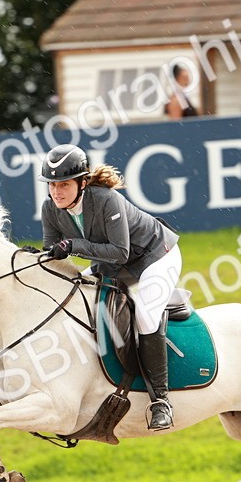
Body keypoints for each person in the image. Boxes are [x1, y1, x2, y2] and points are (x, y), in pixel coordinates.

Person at [38, 144, 182, 431]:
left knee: (146, 316)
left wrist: (73, 246)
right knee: (75, 300)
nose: (56, 191)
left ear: (82, 183)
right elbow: (52, 252)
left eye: (64, 184)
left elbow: (120, 252)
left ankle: (161, 402)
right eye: (52, 185)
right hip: (112, 265)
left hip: (155, 256)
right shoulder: (50, 208)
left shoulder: (106, 200)